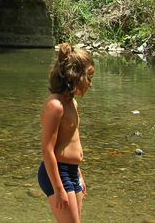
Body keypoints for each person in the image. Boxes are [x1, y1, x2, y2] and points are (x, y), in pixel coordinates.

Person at [38, 43, 95, 223]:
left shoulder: (72, 103)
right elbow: (47, 150)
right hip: (58, 172)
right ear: (75, 76)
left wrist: (79, 174)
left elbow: (71, 141)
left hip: (71, 172)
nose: (90, 83)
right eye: (88, 77)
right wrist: (58, 188)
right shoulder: (55, 106)